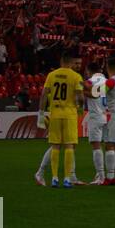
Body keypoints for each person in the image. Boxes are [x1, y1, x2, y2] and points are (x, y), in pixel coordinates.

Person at [38, 52, 85, 188]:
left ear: (61, 61)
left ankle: (54, 178)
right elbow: (80, 98)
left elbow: (43, 95)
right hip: (69, 114)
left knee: (55, 146)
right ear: (70, 63)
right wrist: (80, 107)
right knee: (69, 146)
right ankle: (67, 179)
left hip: (55, 114)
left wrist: (41, 114)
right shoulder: (76, 76)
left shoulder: (51, 75)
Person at [82, 61, 109, 184]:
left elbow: (91, 93)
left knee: (96, 146)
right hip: (107, 116)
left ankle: (101, 176)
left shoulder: (90, 81)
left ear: (89, 71)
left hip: (95, 115)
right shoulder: (107, 81)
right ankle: (110, 175)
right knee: (109, 146)